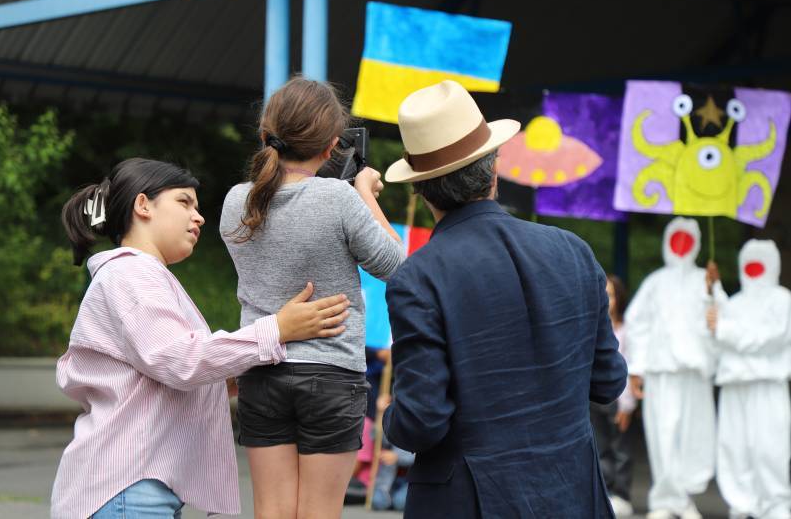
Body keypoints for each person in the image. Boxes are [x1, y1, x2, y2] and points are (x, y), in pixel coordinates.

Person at [381, 79, 628, 518]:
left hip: (468, 502)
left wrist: (389, 415)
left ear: (419, 188)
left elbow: (420, 422)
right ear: (494, 168)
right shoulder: (574, 250)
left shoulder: (419, 277)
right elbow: (608, 382)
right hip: (574, 495)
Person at [51, 158, 350, 519]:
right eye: (184, 202)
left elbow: (167, 373)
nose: (199, 217)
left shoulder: (142, 276)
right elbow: (182, 360)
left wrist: (237, 374)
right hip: (127, 491)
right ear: (143, 205)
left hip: (137, 490)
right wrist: (276, 330)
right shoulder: (131, 275)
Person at [220, 77, 406, 518]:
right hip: (331, 372)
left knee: (272, 510)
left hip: (261, 370)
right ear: (333, 145)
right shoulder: (339, 198)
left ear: (266, 136)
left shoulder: (236, 201)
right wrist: (364, 194)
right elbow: (397, 267)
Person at [624, 216, 725, 519]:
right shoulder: (655, 283)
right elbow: (636, 324)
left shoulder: (705, 281)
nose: (681, 246)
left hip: (695, 373)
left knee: (694, 435)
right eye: (676, 239)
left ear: (696, 244)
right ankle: (666, 501)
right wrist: (636, 368)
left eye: (687, 240)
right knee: (663, 434)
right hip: (662, 372)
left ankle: (682, 497)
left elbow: (724, 321)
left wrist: (713, 291)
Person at [707, 239, 791, 519]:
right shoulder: (734, 302)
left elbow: (768, 338)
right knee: (734, 447)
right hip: (735, 384)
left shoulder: (783, 299)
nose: (754, 267)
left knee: (771, 447)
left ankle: (775, 505)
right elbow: (718, 341)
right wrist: (714, 293)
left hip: (768, 384)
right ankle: (741, 504)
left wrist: (725, 330)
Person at [591, 275, 637, 517]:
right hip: (596, 399)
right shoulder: (593, 329)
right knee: (600, 445)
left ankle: (622, 493)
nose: (607, 300)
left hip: (619, 398)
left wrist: (627, 405)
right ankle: (605, 491)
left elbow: (630, 367)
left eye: (611, 295)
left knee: (620, 447)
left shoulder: (627, 330)